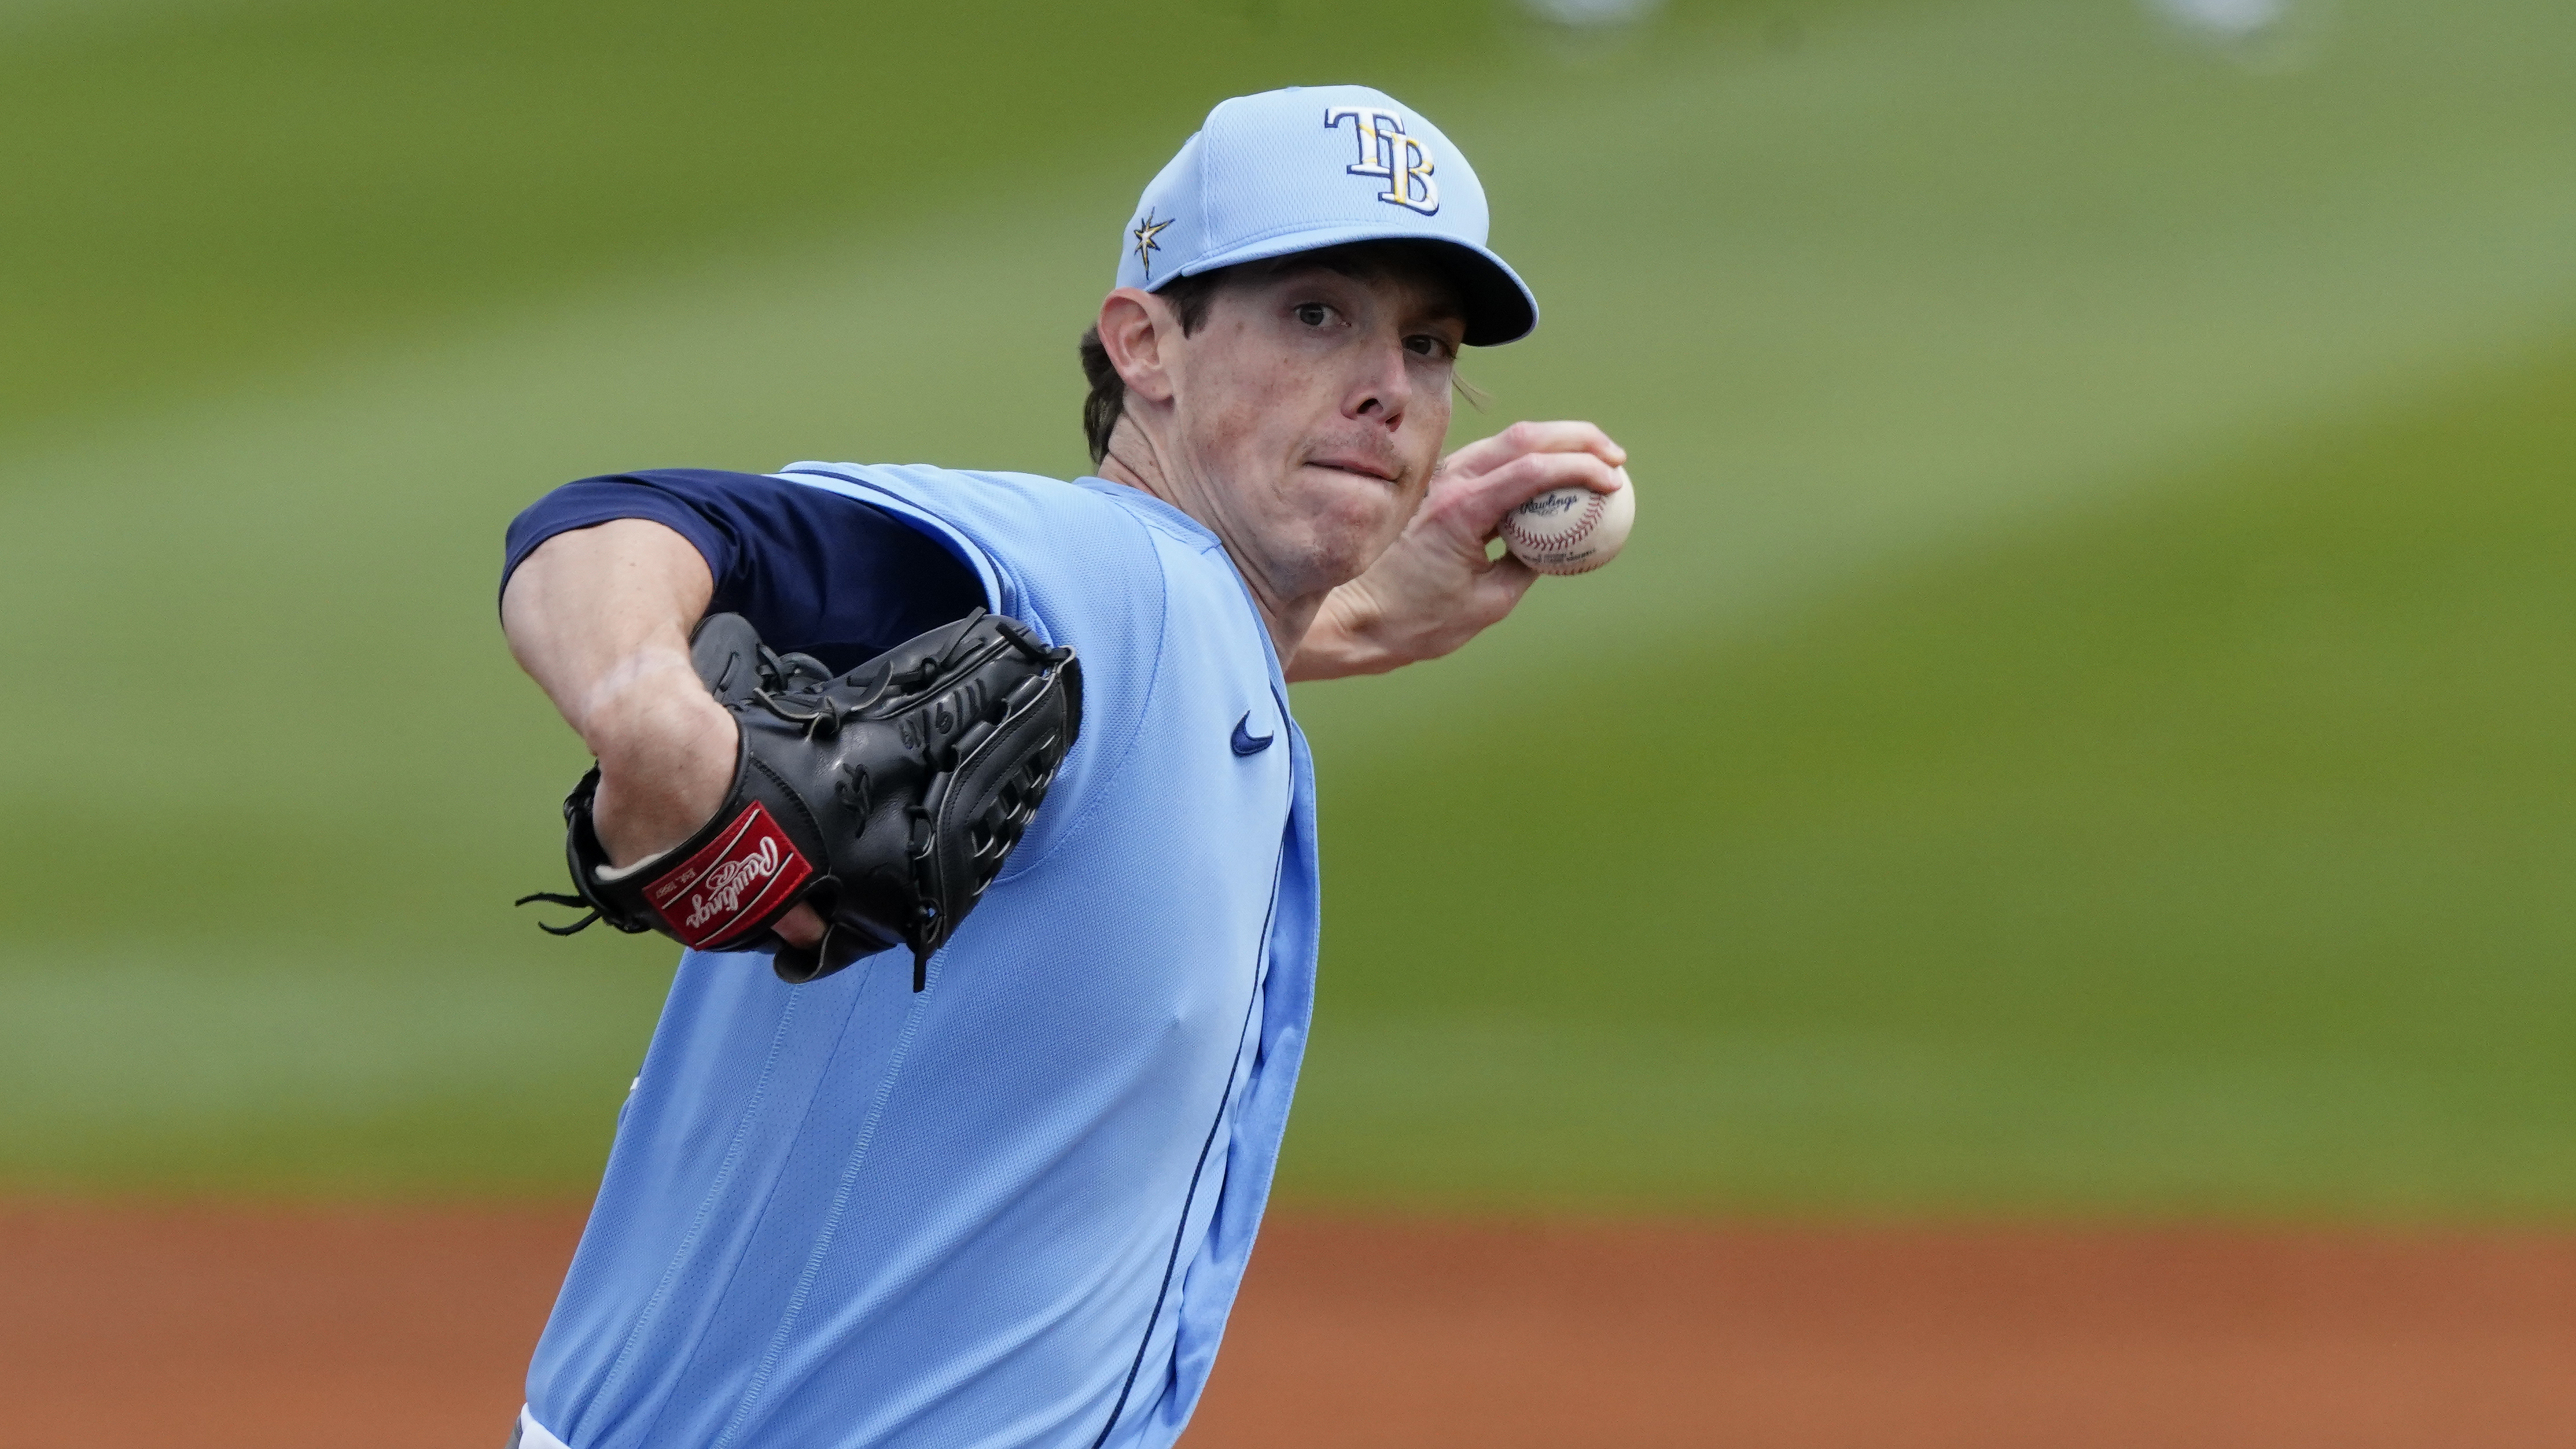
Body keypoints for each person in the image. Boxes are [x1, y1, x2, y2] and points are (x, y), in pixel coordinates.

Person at [495, 84, 1626, 1449]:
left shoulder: (1179, 639)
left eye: (1428, 341)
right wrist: (651, 716)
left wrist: (1363, 616)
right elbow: (630, 521)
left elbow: (1172, 659)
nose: (1388, 385)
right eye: (1317, 313)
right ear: (1145, 343)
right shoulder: (1101, 576)